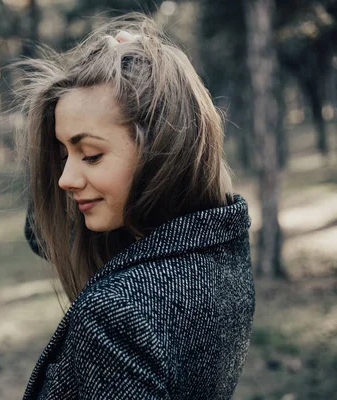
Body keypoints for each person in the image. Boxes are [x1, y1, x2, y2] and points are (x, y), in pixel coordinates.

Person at [14, 13, 255, 400]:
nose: (64, 180)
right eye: (63, 155)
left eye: (90, 154)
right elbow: (43, 233)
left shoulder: (117, 318)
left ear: (160, 149)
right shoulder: (218, 248)